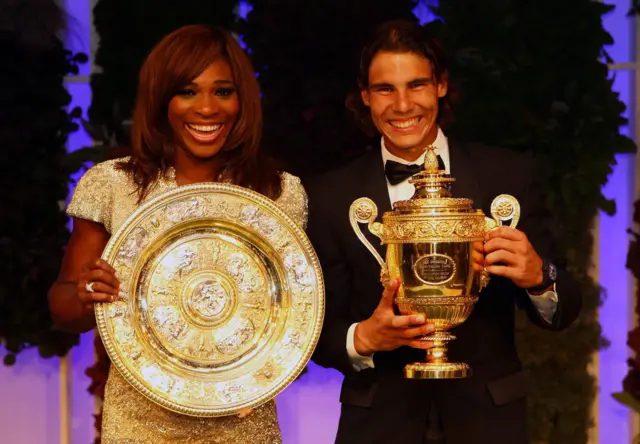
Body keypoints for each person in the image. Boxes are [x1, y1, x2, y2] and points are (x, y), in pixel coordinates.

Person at [306, 19, 581, 444]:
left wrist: (540, 277)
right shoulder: (329, 196)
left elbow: (565, 310)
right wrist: (361, 339)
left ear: (440, 85)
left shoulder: (507, 176)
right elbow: (313, 328)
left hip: (489, 423)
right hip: (379, 425)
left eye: (416, 85)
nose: (401, 105)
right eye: (384, 89)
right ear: (365, 96)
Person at [48, 24, 307, 444]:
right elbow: (63, 308)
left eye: (223, 91)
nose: (207, 108)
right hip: (138, 427)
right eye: (187, 91)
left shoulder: (277, 192)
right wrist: (84, 293)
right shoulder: (112, 185)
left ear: (243, 101)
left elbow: (295, 319)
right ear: (160, 100)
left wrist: (264, 371)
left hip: (243, 424)